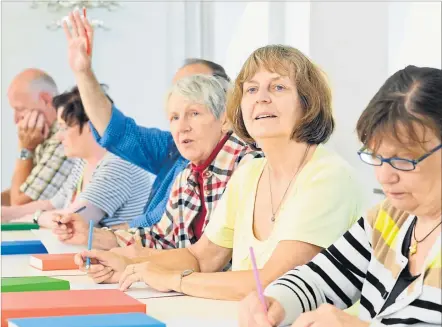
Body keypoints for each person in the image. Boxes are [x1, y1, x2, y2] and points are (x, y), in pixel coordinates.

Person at [74, 45, 364, 301]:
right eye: (251, 89)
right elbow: (202, 257)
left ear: (308, 103)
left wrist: (173, 279)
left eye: (278, 87)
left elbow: (274, 283)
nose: (261, 98)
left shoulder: (327, 176)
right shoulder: (250, 173)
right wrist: (133, 268)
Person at [238, 66, 441, 327]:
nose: (385, 176)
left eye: (403, 159)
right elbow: (320, 278)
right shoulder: (389, 218)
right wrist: (275, 302)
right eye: (376, 156)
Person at [60, 10, 231, 230]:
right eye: (176, 95)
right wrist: (83, 72)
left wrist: (115, 237)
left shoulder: (239, 163)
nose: (183, 122)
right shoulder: (173, 146)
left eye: (195, 90)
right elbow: (117, 132)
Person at [53, 74, 262, 252]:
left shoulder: (248, 167)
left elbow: (206, 260)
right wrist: (91, 236)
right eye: (174, 118)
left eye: (194, 113)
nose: (182, 127)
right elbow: (160, 238)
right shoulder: (188, 173)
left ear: (224, 119)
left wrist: (138, 266)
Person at [2, 86, 154, 229]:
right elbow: (54, 203)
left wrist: (36, 217)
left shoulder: (119, 164)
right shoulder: (84, 161)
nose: (59, 136)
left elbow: (71, 221)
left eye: (64, 128)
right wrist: (6, 213)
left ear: (90, 126)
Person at [2, 69, 74, 206]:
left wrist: (24, 148)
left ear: (46, 100)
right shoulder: (43, 134)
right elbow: (24, 189)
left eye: (20, 109)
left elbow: (19, 204)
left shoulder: (64, 139)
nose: (16, 120)